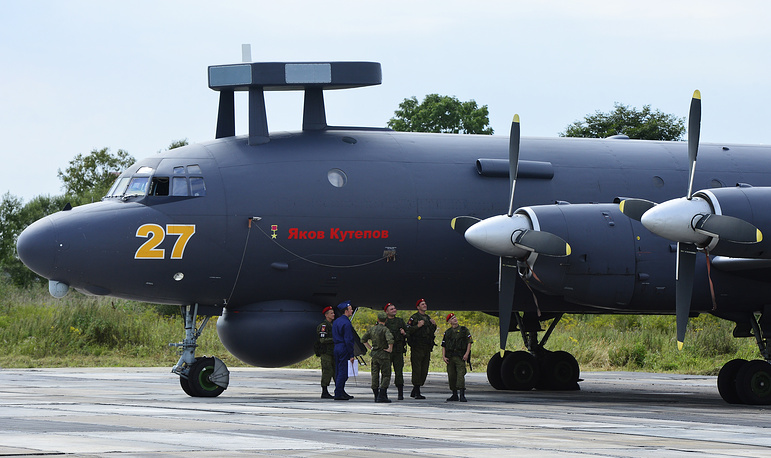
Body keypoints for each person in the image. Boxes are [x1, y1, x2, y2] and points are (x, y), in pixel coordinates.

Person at [406, 298, 437, 399]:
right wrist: (418, 326)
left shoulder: (428, 318)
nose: (425, 305)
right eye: (422, 304)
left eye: (425, 304)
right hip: (417, 347)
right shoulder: (414, 318)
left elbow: (430, 332)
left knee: (424, 370)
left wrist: (434, 326)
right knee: (417, 369)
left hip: (426, 347)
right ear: (418, 307)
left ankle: (415, 390)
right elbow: (408, 330)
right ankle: (417, 390)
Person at [361, 312, 395, 403]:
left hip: (375, 355)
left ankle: (376, 395)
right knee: (386, 375)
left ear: (378, 319)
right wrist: (390, 349)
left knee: (375, 374)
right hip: (384, 355)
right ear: (386, 320)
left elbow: (363, 339)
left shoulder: (372, 329)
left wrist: (370, 348)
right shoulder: (385, 330)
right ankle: (382, 394)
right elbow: (390, 339)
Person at [441, 313, 473, 402]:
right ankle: (454, 394)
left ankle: (462, 394)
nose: (454, 319)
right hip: (450, 357)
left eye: (455, 317)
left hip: (460, 357)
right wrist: (444, 356)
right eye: (452, 318)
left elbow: (469, 342)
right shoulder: (448, 332)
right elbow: (444, 345)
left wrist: (466, 354)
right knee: (451, 375)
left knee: (460, 375)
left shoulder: (464, 330)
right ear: (449, 322)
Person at [332, 300, 356, 400]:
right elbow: (348, 339)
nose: (352, 310)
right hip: (343, 348)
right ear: (346, 311)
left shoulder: (336, 321)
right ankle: (338, 392)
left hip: (337, 347)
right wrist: (351, 354)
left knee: (338, 370)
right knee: (343, 371)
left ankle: (341, 391)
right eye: (350, 309)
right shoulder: (346, 323)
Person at [383, 302, 407, 400]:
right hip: (387, 351)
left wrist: (404, 333)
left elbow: (408, 334)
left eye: (394, 308)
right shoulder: (384, 322)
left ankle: (400, 393)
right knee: (386, 372)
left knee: (399, 372)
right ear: (387, 312)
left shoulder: (400, 321)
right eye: (391, 309)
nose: (394, 310)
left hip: (398, 350)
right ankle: (383, 391)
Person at [315, 306, 336, 399]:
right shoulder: (324, 326)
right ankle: (324, 391)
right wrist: (334, 339)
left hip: (332, 351)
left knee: (335, 371)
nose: (333, 314)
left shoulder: (332, 325)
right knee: (327, 370)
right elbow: (322, 340)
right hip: (326, 352)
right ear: (326, 315)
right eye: (331, 313)